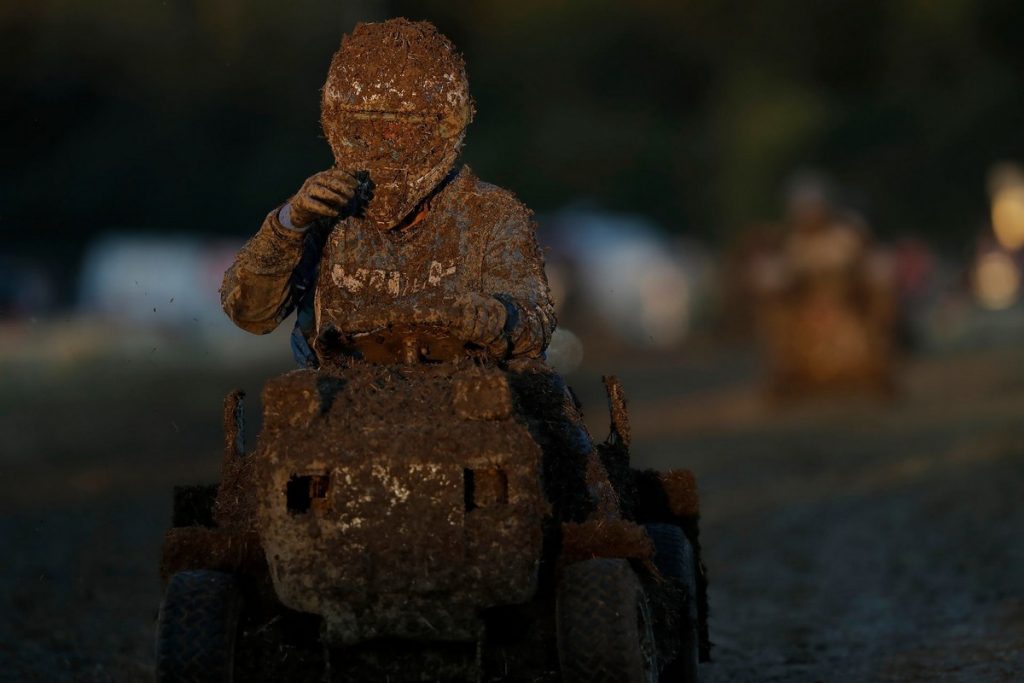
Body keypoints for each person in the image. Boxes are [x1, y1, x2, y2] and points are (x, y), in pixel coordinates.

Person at [220, 19, 555, 367]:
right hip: (337, 398)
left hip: (467, 396)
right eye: (367, 131)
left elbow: (537, 319)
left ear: (444, 128)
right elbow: (251, 314)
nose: (385, 147)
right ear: (337, 126)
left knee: (537, 402)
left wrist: (500, 316)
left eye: (404, 132)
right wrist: (290, 225)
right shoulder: (324, 211)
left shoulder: (489, 213)